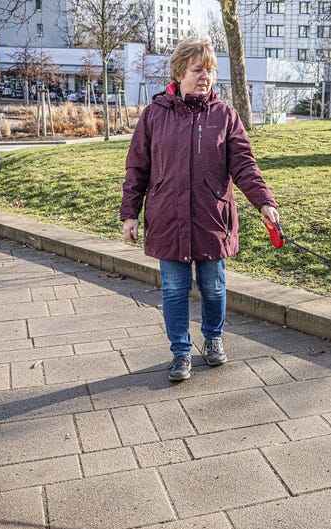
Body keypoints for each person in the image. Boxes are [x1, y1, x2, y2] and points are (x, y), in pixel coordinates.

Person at [120, 37, 279, 383]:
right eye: (197, 69)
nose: (205, 76)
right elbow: (137, 169)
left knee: (215, 286)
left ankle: (213, 338)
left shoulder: (225, 116)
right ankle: (180, 351)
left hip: (212, 218)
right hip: (167, 219)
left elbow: (244, 165)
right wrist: (130, 213)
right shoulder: (153, 116)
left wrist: (264, 201)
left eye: (210, 70)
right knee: (174, 289)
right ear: (179, 72)